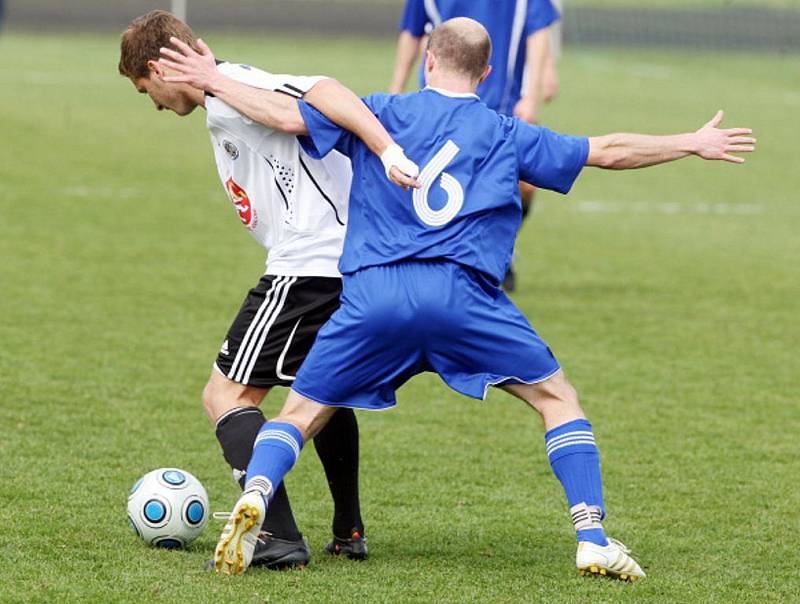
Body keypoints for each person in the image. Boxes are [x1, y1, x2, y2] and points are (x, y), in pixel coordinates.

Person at [160, 18, 755, 580]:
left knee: (296, 414)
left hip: (375, 298)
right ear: (487, 73)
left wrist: (214, 78)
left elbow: (288, 115)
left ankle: (258, 496)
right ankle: (592, 535)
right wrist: (691, 141)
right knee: (556, 398)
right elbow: (608, 150)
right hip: (464, 300)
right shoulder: (504, 131)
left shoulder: (381, 113)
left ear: (427, 58)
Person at [118, 10, 418, 569]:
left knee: (225, 396)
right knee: (321, 387)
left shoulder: (232, 88)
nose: (156, 104)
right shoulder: (226, 94)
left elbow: (322, 94)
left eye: (146, 90)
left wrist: (386, 150)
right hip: (336, 262)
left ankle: (277, 536)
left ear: (161, 69)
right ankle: (348, 528)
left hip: (310, 267)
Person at [389, 0, 563, 292]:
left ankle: (500, 251)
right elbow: (412, 30)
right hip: (438, 101)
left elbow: (538, 30)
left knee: (524, 186)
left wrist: (532, 93)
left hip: (500, 102)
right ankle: (441, 259)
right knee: (440, 182)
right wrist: (396, 87)